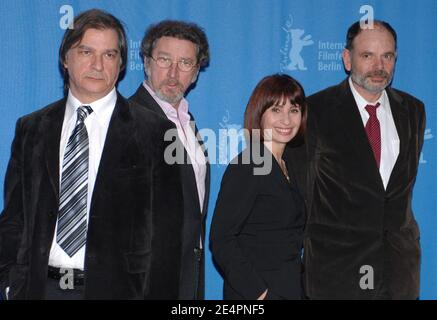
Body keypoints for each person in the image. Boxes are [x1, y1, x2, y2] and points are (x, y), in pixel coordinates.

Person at [0, 9, 183, 300]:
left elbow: (167, 239)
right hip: (39, 289)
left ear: (121, 64)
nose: (97, 64)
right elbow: (14, 218)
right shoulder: (32, 128)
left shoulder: (157, 132)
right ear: (65, 58)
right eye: (86, 51)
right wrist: (10, 282)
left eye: (109, 55)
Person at [304, 20, 425, 299]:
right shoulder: (315, 111)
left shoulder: (413, 110)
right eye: (367, 55)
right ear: (347, 59)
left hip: (399, 273)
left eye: (388, 56)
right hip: (337, 273)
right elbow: (303, 192)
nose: (379, 66)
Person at [129, 20, 210, 300]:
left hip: (188, 274)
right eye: (164, 59)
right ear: (146, 62)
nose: (174, 72)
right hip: (144, 281)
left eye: (186, 63)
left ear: (197, 72)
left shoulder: (189, 122)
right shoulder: (124, 120)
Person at [210, 74, 307, 300]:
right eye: (276, 110)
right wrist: (260, 293)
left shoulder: (291, 165)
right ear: (259, 114)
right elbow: (222, 239)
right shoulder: (249, 164)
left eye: (293, 110)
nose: (286, 119)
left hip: (290, 289)